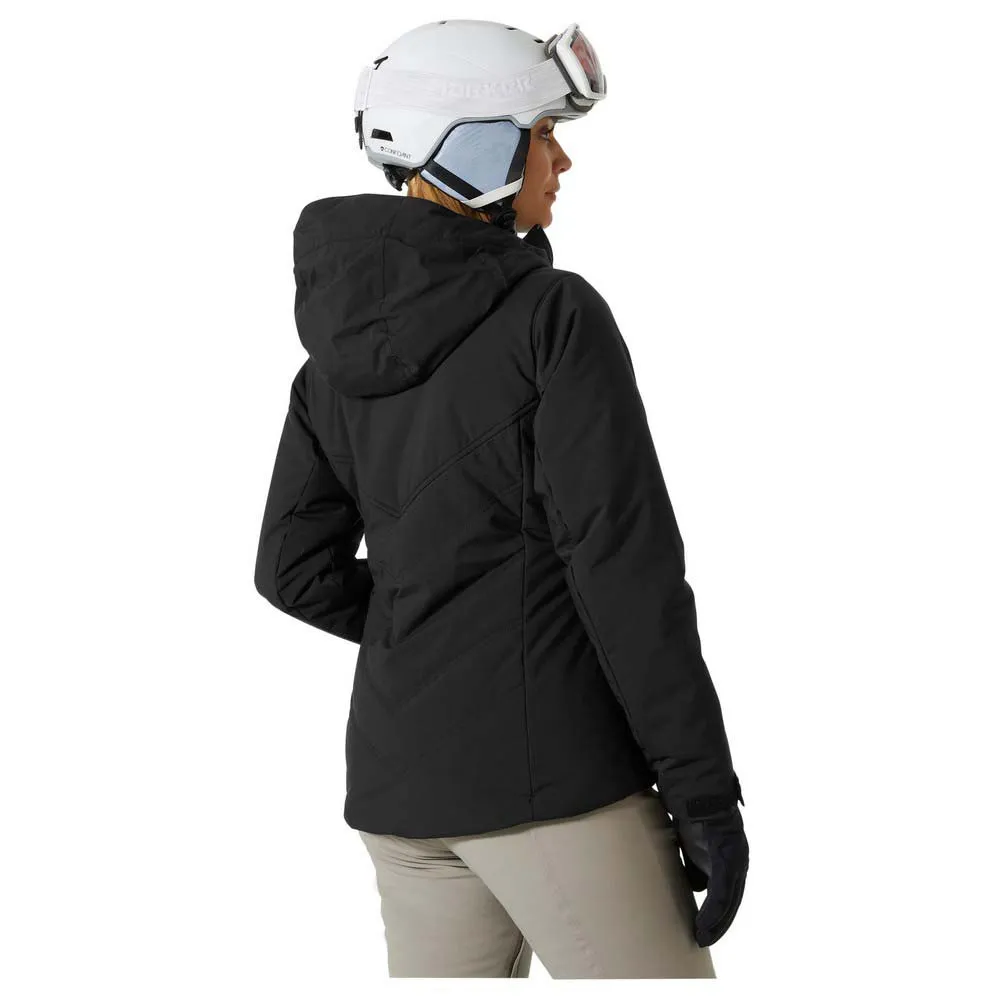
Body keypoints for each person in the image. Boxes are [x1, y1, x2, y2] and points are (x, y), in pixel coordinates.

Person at [254, 19, 749, 979]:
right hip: (555, 790)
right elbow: (627, 571)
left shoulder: (327, 363)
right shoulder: (554, 319)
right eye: (544, 135)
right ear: (474, 148)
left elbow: (292, 571)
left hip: (402, 798)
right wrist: (704, 795)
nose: (562, 161)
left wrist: (435, 626)